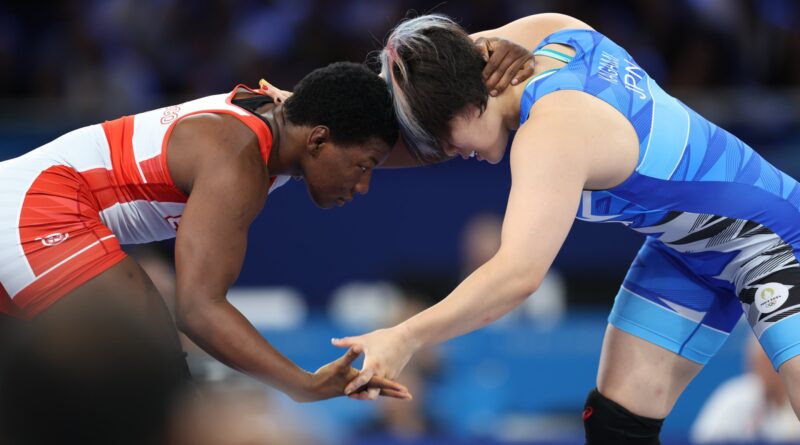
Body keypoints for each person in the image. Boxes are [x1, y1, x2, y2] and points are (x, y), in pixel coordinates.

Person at [331, 13, 800, 444]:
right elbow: (420, 63)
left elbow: (517, 276)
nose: (449, 152)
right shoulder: (546, 32)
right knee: (616, 426)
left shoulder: (551, 134)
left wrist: (404, 336)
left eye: (443, 138)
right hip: (686, 252)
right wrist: (310, 111)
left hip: (778, 243)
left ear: (471, 102)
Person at [0, 39, 533, 403]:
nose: (365, 185)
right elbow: (198, 308)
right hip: (35, 209)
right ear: (320, 140)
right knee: (147, 365)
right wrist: (302, 385)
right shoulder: (237, 161)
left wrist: (484, 60)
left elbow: (411, 113)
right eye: (364, 167)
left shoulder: (294, 117)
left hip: (33, 205)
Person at [691, 334, 800, 443]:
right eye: (766, 362)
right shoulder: (734, 396)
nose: (772, 369)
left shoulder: (796, 397)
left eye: (777, 362)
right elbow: (703, 438)